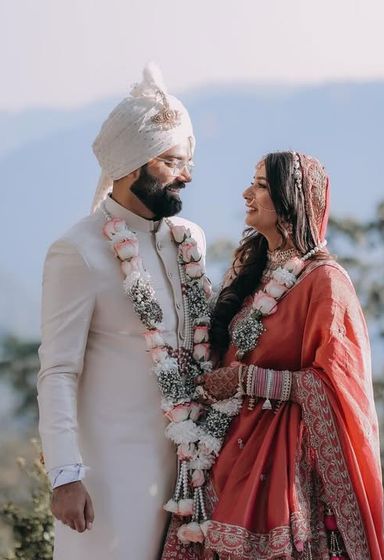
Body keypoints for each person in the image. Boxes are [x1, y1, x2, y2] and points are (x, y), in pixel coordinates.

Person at [163, 152, 384, 559]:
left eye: (262, 185)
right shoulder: (248, 272)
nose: (247, 193)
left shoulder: (325, 283)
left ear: (291, 200)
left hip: (282, 471)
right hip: (224, 452)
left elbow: (338, 387)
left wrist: (249, 380)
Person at [37, 63, 207, 560]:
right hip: (110, 477)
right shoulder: (79, 250)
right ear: (132, 165)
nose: (187, 175)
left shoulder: (188, 240)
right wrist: (66, 475)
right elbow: (58, 371)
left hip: (189, 468)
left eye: (187, 161)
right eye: (172, 162)